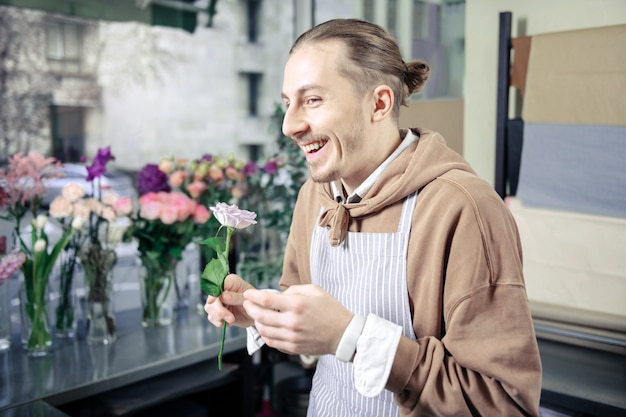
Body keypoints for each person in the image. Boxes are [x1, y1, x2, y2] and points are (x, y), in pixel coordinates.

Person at [205, 18, 542, 417]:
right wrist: (265, 315)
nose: (289, 125)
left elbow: (503, 404)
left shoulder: (463, 209)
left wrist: (352, 336)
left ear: (379, 104)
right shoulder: (314, 198)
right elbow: (320, 347)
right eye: (287, 103)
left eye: (312, 100)